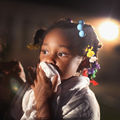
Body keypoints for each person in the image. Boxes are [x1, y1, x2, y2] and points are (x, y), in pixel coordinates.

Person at [21, 18, 101, 120]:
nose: (49, 59)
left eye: (61, 54)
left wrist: (42, 102)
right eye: (45, 51)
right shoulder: (37, 88)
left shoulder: (82, 102)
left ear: (83, 62)